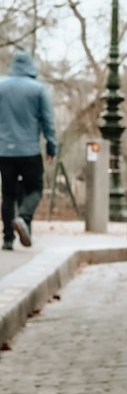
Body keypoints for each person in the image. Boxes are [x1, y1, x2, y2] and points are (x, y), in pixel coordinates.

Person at [0, 51, 58, 251]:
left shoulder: (1, 86)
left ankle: (8, 238)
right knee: (34, 189)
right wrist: (51, 144)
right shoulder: (38, 89)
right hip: (29, 151)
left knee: (8, 194)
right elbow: (47, 120)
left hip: (4, 151)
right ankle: (23, 219)